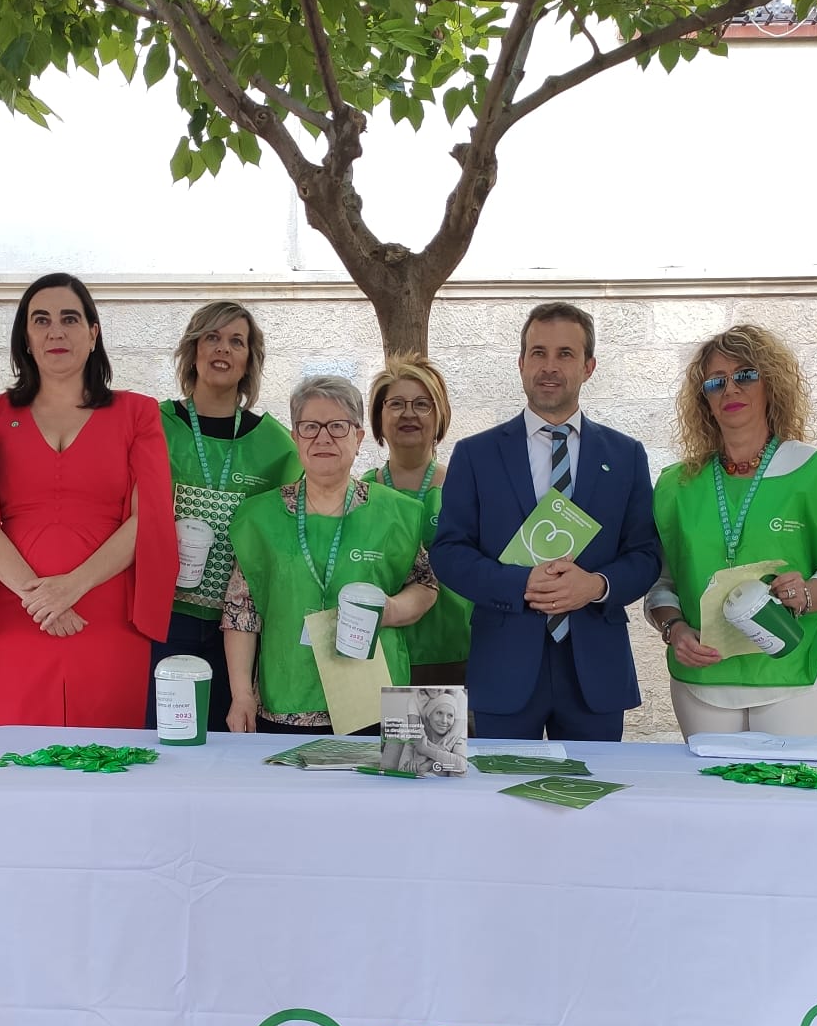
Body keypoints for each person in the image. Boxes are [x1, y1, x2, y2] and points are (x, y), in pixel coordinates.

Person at [0, 274, 175, 727]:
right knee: (18, 761)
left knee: (109, 759)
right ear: (25, 338)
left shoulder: (138, 413)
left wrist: (73, 586)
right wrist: (39, 598)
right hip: (18, 614)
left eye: (70, 319)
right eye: (41, 320)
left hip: (107, 612)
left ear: (93, 333)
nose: (56, 331)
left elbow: (149, 514)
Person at [431, 302, 661, 741]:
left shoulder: (626, 456)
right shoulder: (475, 455)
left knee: (590, 803)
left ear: (589, 367)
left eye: (565, 354)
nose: (549, 367)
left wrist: (596, 586)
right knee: (501, 799)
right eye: (538, 353)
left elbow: (645, 555)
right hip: (504, 667)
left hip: (595, 670)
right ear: (520, 364)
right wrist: (519, 584)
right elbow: (449, 553)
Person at [644, 325, 817, 736]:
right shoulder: (677, 485)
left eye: (745, 375)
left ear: (771, 384)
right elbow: (662, 584)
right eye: (716, 382)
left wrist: (804, 594)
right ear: (704, 399)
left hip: (792, 671)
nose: (730, 390)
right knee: (714, 797)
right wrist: (674, 630)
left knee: (791, 796)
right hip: (704, 677)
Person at [222, 376, 438, 734]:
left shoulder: (396, 513)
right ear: (295, 437)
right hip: (287, 698)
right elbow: (240, 613)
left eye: (337, 426)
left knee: (375, 790)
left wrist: (393, 610)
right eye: (310, 427)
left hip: (376, 698)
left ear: (358, 436)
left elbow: (426, 585)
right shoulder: (260, 517)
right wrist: (242, 694)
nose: (323, 437)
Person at [148, 302, 303, 732]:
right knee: (163, 739)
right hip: (163, 619)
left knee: (229, 746)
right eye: (212, 337)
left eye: (237, 341)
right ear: (192, 349)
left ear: (250, 359)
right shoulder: (153, 425)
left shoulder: (275, 444)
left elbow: (289, 532)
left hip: (237, 630)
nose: (223, 349)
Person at [363, 356, 471, 684]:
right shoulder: (360, 494)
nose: (408, 413)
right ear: (378, 418)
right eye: (396, 403)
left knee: (448, 735)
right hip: (380, 654)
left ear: (439, 418)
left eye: (422, 404)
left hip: (456, 654)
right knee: (384, 739)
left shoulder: (467, 489)